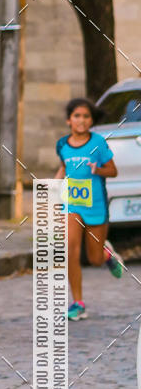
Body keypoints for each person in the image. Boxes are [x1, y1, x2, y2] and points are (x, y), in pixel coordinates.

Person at [54, 97, 124, 321]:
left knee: (93, 259)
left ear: (91, 120)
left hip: (96, 205)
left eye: (86, 116)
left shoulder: (98, 143)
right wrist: (53, 190)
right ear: (68, 120)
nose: (81, 120)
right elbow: (64, 167)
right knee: (70, 249)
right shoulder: (62, 144)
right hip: (72, 204)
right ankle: (78, 303)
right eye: (77, 116)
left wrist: (98, 170)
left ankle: (106, 254)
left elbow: (113, 171)